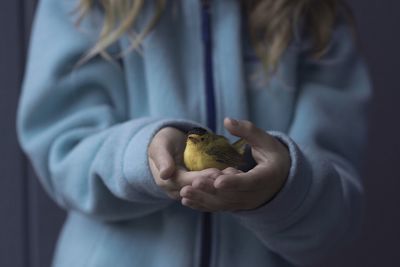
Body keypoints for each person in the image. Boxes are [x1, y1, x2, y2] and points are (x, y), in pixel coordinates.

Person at [17, 0, 371, 266]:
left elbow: (336, 213)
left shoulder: (313, 14)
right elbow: (64, 149)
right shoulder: (82, 5)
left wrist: (285, 188)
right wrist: (142, 156)